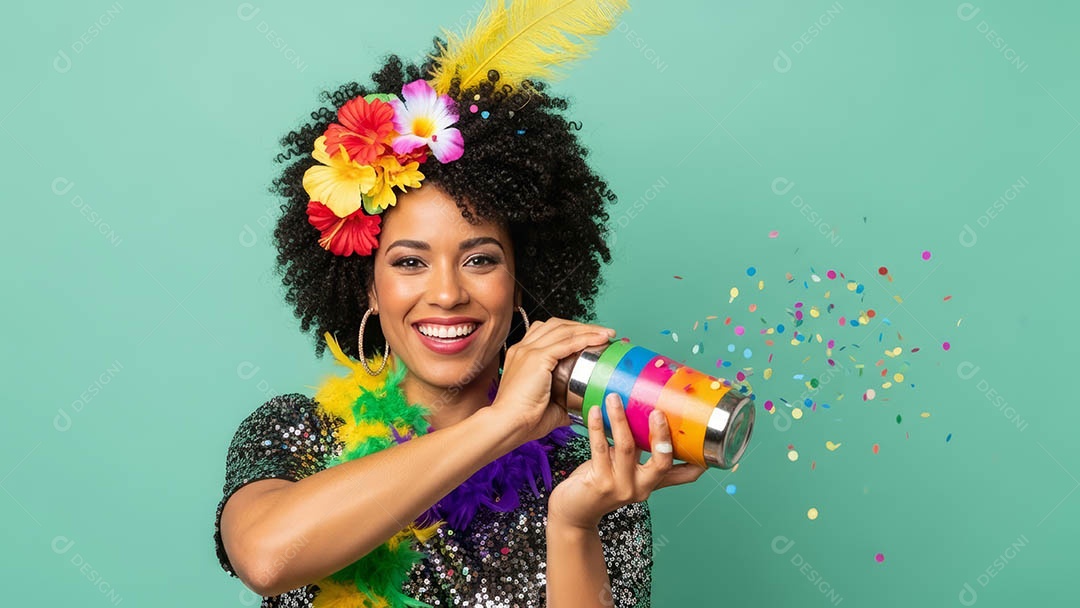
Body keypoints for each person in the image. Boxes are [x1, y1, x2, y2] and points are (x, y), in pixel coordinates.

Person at [213, 3, 708, 606]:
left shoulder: (594, 465)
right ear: (367, 286)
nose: (447, 294)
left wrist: (574, 522)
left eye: (480, 259)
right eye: (409, 262)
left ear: (521, 281)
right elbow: (267, 559)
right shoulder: (299, 433)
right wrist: (500, 426)